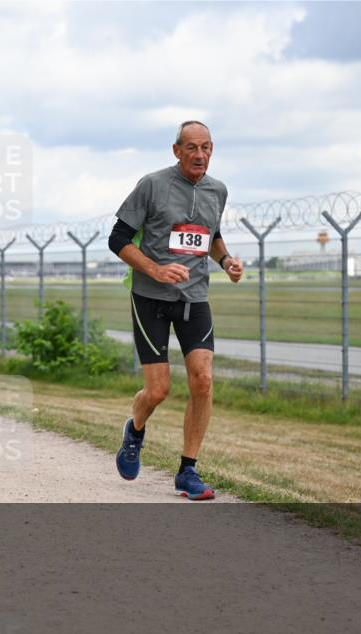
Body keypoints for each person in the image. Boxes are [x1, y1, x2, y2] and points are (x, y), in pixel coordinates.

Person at [109, 120, 244, 500]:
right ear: (176, 150)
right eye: (191, 148)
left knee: (202, 379)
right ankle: (134, 430)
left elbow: (211, 236)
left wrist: (227, 261)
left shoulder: (218, 190)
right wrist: (156, 269)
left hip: (194, 297)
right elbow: (117, 238)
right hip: (150, 296)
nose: (199, 155)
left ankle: (188, 472)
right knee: (158, 390)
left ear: (212, 150)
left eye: (206, 148)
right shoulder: (153, 184)